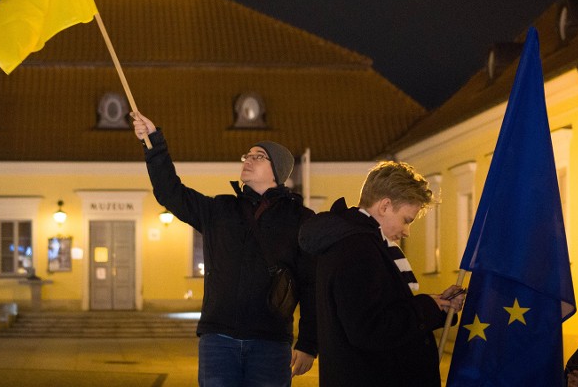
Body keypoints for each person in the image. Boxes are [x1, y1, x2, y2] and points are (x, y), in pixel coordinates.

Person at [132, 111, 317, 386]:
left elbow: (311, 284)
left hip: (270, 343)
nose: (248, 159)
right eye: (247, 155)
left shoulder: (300, 219)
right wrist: (153, 142)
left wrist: (309, 343)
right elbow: (171, 192)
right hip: (218, 340)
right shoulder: (220, 209)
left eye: (258, 156)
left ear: (277, 171)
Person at [298, 160, 464, 387]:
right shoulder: (358, 248)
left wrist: (437, 306)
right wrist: (426, 307)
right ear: (385, 206)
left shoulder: (353, 241)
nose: (406, 232)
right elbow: (370, 329)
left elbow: (384, 307)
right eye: (406, 220)